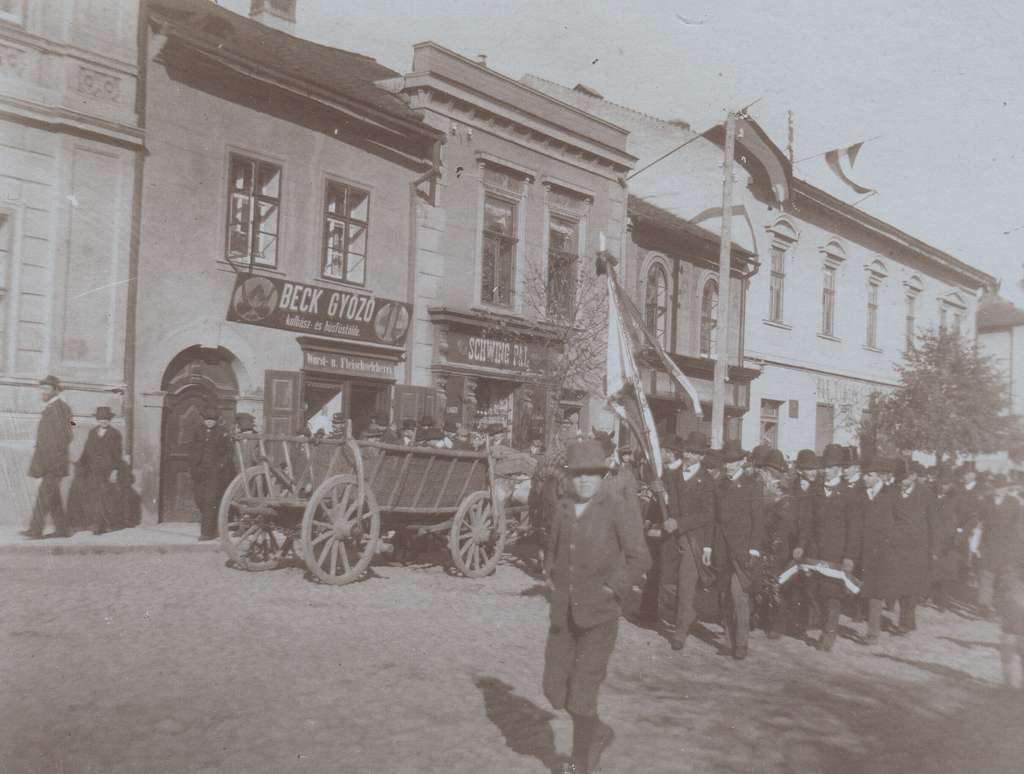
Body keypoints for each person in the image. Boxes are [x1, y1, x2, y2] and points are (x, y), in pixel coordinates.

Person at [542, 440, 651, 774]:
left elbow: (640, 557)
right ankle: (598, 731)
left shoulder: (617, 506)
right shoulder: (563, 506)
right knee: (554, 690)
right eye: (577, 475)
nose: (584, 481)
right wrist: (550, 573)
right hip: (563, 614)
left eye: (591, 475)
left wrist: (611, 588)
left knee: (582, 694)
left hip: (600, 617)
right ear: (569, 477)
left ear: (602, 476)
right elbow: (555, 547)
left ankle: (581, 764)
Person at [802, 444, 861, 652]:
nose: (825, 470)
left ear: (838, 469)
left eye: (829, 467)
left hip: (837, 552)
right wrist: (803, 547)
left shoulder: (849, 494)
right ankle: (821, 623)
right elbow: (807, 521)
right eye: (824, 467)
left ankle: (829, 633)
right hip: (815, 551)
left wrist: (850, 556)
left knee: (832, 594)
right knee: (816, 591)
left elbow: (854, 528)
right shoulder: (815, 490)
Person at [661, 431, 715, 652]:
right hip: (671, 539)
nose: (689, 455)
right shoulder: (672, 477)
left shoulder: (707, 480)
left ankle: (680, 632)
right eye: (687, 451)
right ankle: (689, 614)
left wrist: (680, 523)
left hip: (694, 541)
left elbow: (708, 515)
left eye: (694, 453)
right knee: (667, 584)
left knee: (685, 586)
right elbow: (665, 500)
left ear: (701, 456)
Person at [711, 442, 764, 659]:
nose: (729, 466)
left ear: (742, 461)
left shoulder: (752, 485)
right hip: (722, 548)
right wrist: (710, 546)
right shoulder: (720, 484)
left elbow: (758, 520)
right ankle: (729, 638)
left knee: (739, 595)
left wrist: (754, 549)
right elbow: (715, 519)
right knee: (724, 595)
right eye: (726, 462)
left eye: (733, 461)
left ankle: (741, 643)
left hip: (742, 551)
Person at [23, 375, 74, 539]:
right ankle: (63, 529)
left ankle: (35, 530)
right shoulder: (52, 407)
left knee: (44, 495)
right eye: (42, 389)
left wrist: (52, 460)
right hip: (48, 461)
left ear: (55, 390)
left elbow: (66, 436)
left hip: (54, 462)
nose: (43, 392)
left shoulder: (60, 408)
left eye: (46, 389)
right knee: (52, 497)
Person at [858, 457, 899, 644]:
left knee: (875, 592)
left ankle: (873, 633)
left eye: (869, 475)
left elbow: (899, 522)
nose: (865, 478)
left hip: (883, 551)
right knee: (867, 590)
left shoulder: (891, 495)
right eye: (864, 474)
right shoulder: (860, 494)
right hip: (863, 549)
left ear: (879, 477)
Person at [77, 406, 123, 535]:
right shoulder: (92, 432)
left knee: (104, 497)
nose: (103, 421)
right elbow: (87, 449)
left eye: (106, 419)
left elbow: (117, 454)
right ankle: (97, 523)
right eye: (101, 418)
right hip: (93, 469)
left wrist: (115, 471)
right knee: (94, 496)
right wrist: (81, 464)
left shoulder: (115, 434)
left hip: (107, 470)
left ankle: (103, 525)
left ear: (110, 420)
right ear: (97, 419)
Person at [188, 407, 233, 541]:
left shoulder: (222, 432)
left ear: (216, 421)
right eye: (207, 420)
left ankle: (207, 532)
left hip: (215, 472)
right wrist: (193, 465)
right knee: (199, 499)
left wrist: (220, 465)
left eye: (212, 420)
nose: (209, 422)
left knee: (210, 500)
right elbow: (193, 448)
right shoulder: (198, 431)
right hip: (200, 470)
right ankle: (212, 526)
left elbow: (229, 452)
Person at [929, 466, 961, 611]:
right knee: (932, 568)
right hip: (933, 538)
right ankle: (929, 594)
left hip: (949, 540)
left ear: (951, 485)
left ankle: (943, 600)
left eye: (947, 484)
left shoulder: (956, 499)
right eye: (942, 484)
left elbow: (966, 518)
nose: (944, 487)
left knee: (946, 572)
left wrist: (958, 533)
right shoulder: (931, 496)